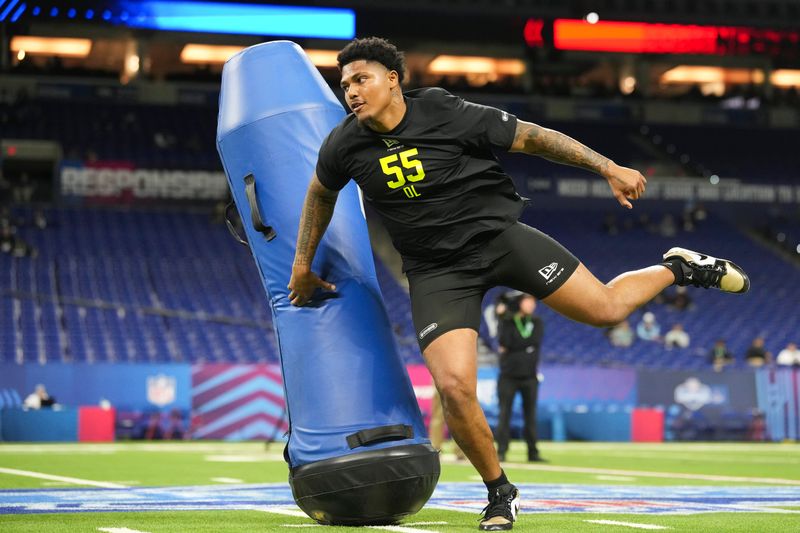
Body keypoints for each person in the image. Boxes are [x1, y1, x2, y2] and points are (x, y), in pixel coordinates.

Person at [286, 37, 750, 531]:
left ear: (393, 79)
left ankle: (680, 268)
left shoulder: (443, 110)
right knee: (454, 386)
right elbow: (319, 194)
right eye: (345, 85)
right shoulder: (343, 143)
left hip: (500, 240)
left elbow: (534, 138)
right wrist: (300, 265)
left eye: (362, 79)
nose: (352, 91)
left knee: (607, 310)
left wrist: (608, 168)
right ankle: (499, 492)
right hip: (437, 272)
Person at [495, 294, 544, 463]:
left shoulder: (536, 322)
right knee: (504, 414)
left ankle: (533, 452)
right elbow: (505, 341)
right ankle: (501, 451)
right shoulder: (507, 321)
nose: (531, 304)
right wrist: (502, 317)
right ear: (519, 303)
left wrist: (515, 347)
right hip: (508, 375)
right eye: (527, 301)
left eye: (533, 301)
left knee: (530, 416)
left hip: (530, 376)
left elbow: (533, 341)